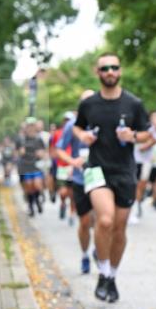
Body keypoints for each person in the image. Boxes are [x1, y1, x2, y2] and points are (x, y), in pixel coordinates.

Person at [73, 54, 150, 303]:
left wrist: (134, 137)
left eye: (114, 67)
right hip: (96, 169)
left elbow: (148, 135)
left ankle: (112, 276)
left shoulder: (134, 104)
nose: (110, 71)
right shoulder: (89, 104)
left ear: (120, 71)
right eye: (105, 68)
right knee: (104, 221)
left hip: (125, 172)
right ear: (97, 72)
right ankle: (102, 273)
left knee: (119, 228)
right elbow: (77, 126)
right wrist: (82, 137)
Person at [56, 92, 96, 273]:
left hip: (100, 177)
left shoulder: (102, 122)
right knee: (85, 221)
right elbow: (60, 150)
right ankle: (85, 254)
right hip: (80, 178)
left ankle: (99, 249)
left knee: (103, 219)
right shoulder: (72, 125)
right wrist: (73, 162)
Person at [16, 118, 46, 216]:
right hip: (25, 165)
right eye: (29, 126)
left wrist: (40, 154)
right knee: (29, 186)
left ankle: (37, 199)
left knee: (37, 185)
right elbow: (16, 152)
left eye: (32, 126)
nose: (31, 128)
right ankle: (31, 205)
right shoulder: (21, 139)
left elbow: (43, 151)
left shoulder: (38, 139)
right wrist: (20, 152)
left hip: (36, 165)